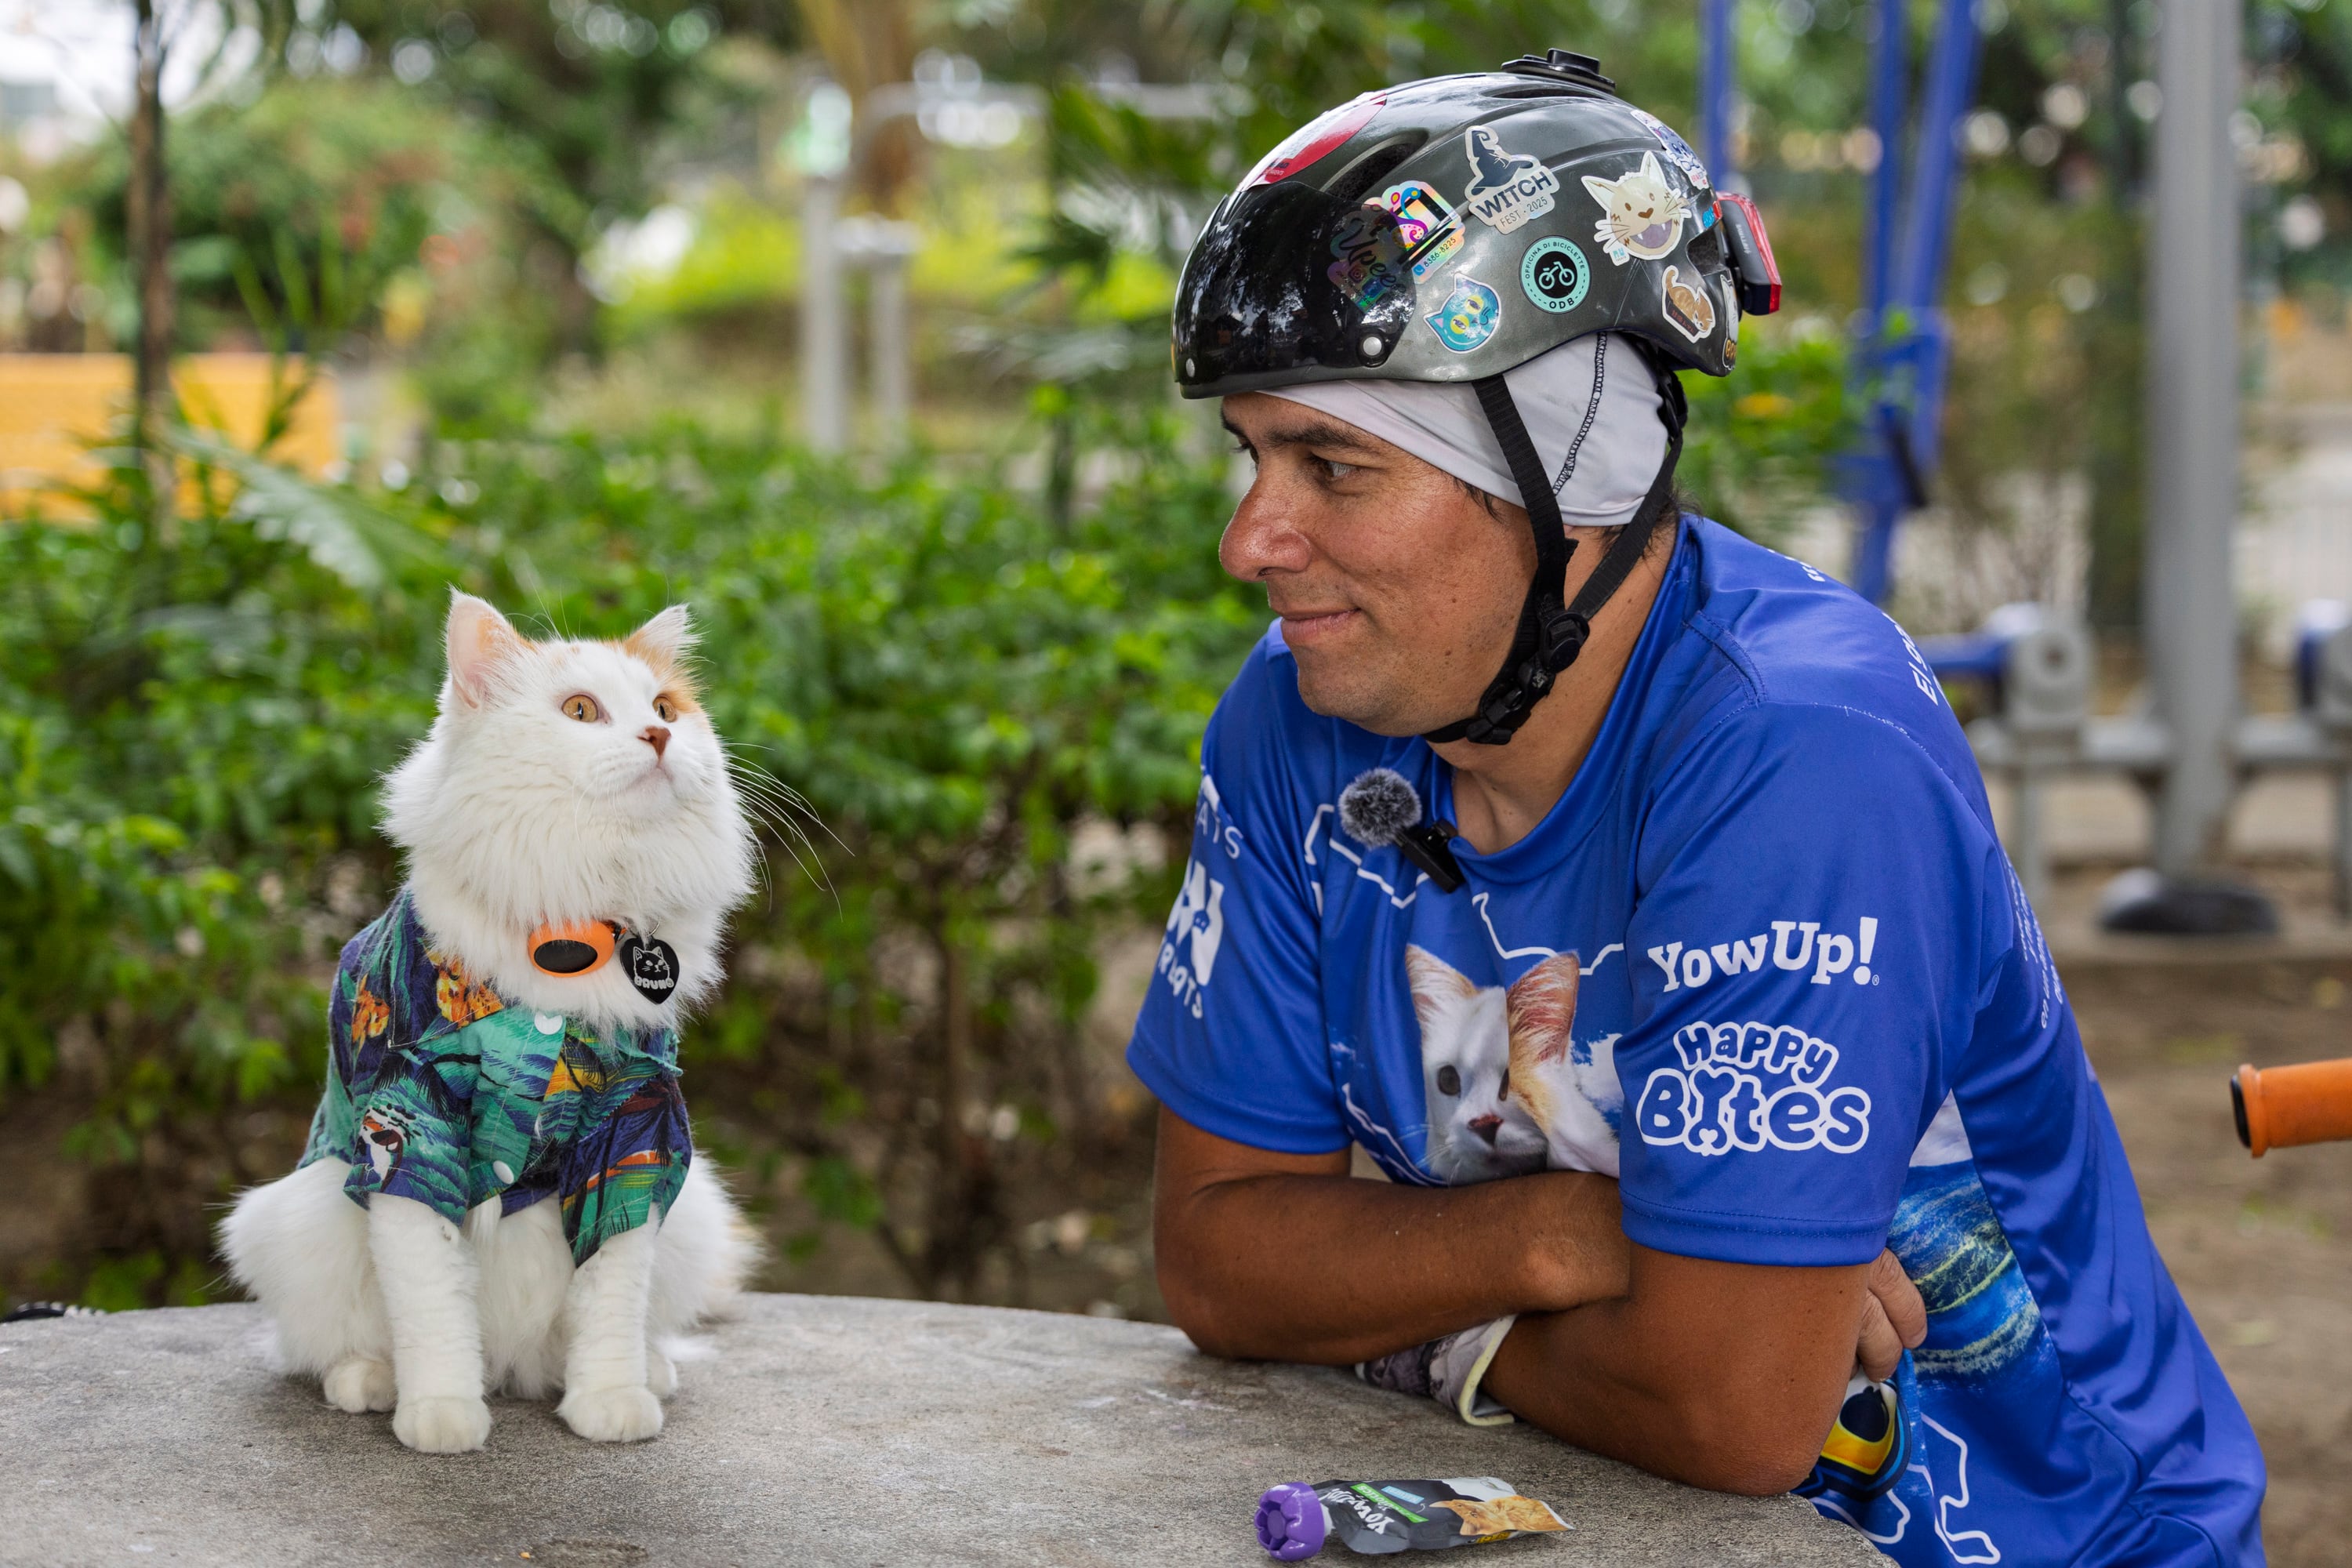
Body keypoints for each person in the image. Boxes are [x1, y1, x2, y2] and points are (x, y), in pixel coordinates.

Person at [1129, 49, 2265, 1566]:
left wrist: (1395, 1307)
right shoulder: (1298, 719)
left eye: (1333, 464)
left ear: (1568, 476)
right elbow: (1216, 1261)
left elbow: (1732, 1411)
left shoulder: (1804, 755)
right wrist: (1571, 1238)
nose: (1250, 539)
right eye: (1253, 455)